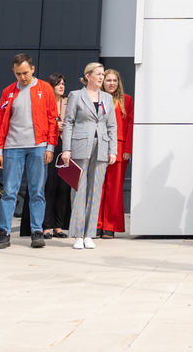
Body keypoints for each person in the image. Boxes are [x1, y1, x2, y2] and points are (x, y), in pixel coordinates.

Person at [0, 55, 59, 249]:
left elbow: (52, 119)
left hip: (38, 146)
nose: (22, 77)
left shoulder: (45, 88)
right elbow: (2, 121)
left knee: (37, 190)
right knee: (9, 192)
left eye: (25, 72)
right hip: (13, 147)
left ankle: (37, 231)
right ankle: (4, 233)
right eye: (18, 73)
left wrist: (50, 147)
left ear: (32, 68)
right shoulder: (8, 91)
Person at [61, 62, 118, 249]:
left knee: (96, 190)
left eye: (103, 74)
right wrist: (66, 148)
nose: (101, 77)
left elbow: (112, 125)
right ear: (87, 76)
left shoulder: (106, 98)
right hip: (79, 145)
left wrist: (112, 150)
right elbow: (68, 122)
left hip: (101, 146)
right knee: (78, 189)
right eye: (98, 74)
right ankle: (78, 233)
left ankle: (89, 234)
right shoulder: (76, 95)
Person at [21, 73, 69, 239]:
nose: (61, 86)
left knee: (63, 188)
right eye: (58, 84)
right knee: (47, 186)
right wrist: (56, 125)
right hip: (48, 144)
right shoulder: (44, 101)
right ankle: (45, 226)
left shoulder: (68, 102)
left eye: (62, 83)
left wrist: (66, 127)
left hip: (66, 146)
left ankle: (59, 226)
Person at [98, 68, 134, 238]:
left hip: (119, 149)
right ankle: (96, 224)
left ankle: (109, 226)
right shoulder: (96, 98)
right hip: (98, 146)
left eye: (114, 80)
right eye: (108, 80)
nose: (111, 83)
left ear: (118, 82)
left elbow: (130, 126)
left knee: (114, 189)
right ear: (102, 82)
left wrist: (128, 149)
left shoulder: (127, 100)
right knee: (98, 187)